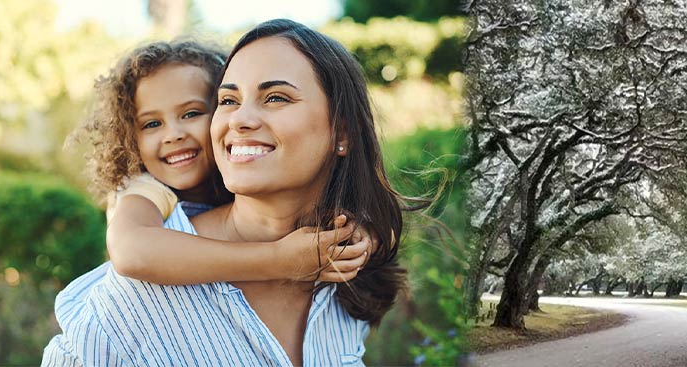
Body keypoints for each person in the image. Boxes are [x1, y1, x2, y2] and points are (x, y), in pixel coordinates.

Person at [43, 19, 418, 366]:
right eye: (229, 101)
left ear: (343, 133)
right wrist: (279, 260)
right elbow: (131, 249)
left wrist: (364, 237)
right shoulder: (134, 285)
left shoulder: (341, 273)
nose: (239, 119)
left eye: (274, 98)